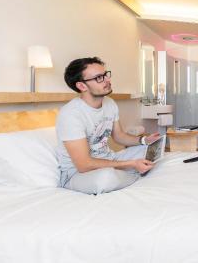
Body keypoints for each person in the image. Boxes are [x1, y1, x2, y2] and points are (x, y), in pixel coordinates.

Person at [56, 57, 160, 195]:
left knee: (152, 152)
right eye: (99, 78)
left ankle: (130, 173)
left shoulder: (109, 103)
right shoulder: (70, 115)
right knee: (106, 178)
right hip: (77, 175)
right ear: (82, 86)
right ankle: (135, 175)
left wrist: (144, 140)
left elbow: (119, 136)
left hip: (110, 160)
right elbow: (84, 165)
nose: (107, 80)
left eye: (105, 75)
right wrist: (131, 164)